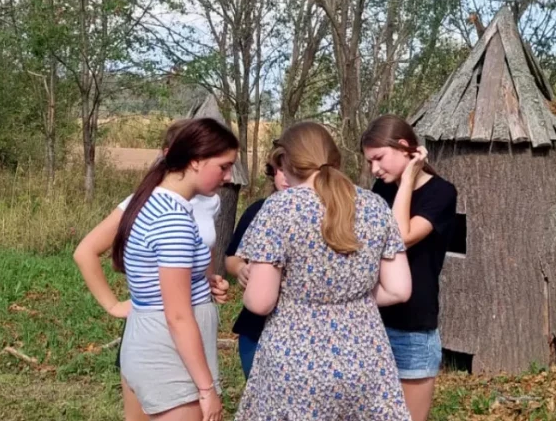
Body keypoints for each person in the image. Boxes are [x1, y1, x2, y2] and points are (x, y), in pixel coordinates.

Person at [234, 121, 412, 421]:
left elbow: (260, 302)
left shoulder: (279, 208)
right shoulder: (375, 205)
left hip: (295, 361)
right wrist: (348, 301)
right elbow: (399, 289)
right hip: (365, 358)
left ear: (287, 163)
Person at [74, 120, 230, 421]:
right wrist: (113, 305)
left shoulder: (201, 202)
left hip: (178, 333)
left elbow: (191, 260)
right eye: (223, 166)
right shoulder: (160, 211)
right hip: (167, 339)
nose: (228, 176)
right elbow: (86, 251)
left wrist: (208, 281)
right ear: (190, 159)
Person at [361, 114, 459, 421]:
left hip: (414, 328)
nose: (374, 169)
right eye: (369, 162)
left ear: (404, 147)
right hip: (373, 321)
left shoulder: (441, 193)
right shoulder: (381, 189)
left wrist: (407, 181)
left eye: (379, 158)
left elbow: (400, 237)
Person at [222, 153, 290, 381]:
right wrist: (241, 269)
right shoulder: (258, 210)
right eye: (281, 170)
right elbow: (231, 257)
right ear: (273, 172)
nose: (286, 177)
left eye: (293, 169)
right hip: (255, 328)